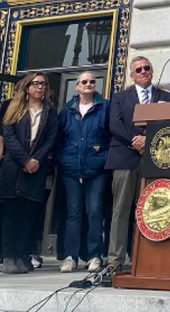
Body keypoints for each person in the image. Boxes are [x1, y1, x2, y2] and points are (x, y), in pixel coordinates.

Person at [105, 57, 170, 270]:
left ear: (152, 71)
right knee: (121, 210)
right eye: (138, 69)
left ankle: (143, 258)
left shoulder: (165, 97)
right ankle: (115, 260)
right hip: (124, 158)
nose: (143, 71)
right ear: (132, 75)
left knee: (150, 211)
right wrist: (137, 141)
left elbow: (168, 123)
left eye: (147, 68)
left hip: (153, 160)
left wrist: (148, 140)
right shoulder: (120, 97)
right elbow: (115, 125)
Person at [0, 72, 58, 274]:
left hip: (36, 169)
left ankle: (22, 254)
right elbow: (9, 137)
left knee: (29, 216)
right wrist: (24, 160)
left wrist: (36, 161)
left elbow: (51, 140)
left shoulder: (50, 112)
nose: (40, 87)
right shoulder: (14, 108)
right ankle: (9, 256)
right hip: (13, 168)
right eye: (35, 84)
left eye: (43, 84)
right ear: (27, 87)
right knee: (11, 214)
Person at [56, 71, 111, 273]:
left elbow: (110, 136)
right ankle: (70, 256)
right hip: (71, 169)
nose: (89, 85)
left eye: (92, 82)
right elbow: (59, 139)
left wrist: (102, 157)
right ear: (77, 86)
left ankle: (94, 255)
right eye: (84, 82)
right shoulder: (67, 110)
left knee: (95, 211)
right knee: (73, 213)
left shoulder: (105, 107)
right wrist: (64, 160)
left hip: (96, 169)